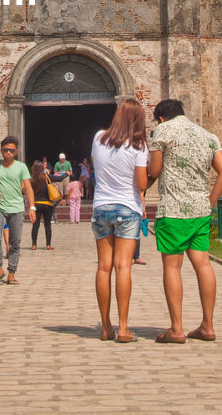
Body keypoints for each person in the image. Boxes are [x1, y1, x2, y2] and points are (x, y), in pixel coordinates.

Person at [147, 99, 222, 344]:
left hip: (174, 210)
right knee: (203, 265)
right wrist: (211, 201)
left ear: (161, 118)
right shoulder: (207, 135)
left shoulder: (163, 131)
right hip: (200, 210)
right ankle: (207, 325)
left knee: (172, 267)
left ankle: (177, 328)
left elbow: (154, 169)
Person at [91, 97, 150, 343]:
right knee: (123, 266)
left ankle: (106, 326)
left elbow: (96, 166)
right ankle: (123, 328)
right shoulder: (138, 145)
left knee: (104, 267)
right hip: (127, 207)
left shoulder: (98, 138)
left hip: (101, 207)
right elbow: (142, 184)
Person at [0, 136, 36, 285]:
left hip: (17, 208)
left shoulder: (21, 167)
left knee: (15, 242)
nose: (8, 152)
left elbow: (28, 188)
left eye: (11, 150)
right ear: (1, 150)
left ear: (16, 151)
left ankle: (12, 272)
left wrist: (32, 207)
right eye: (6, 150)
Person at [30, 161, 56, 249]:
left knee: (35, 225)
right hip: (47, 204)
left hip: (36, 204)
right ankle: (48, 245)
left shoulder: (32, 179)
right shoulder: (47, 177)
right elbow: (59, 178)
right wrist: (66, 174)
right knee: (47, 225)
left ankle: (34, 245)